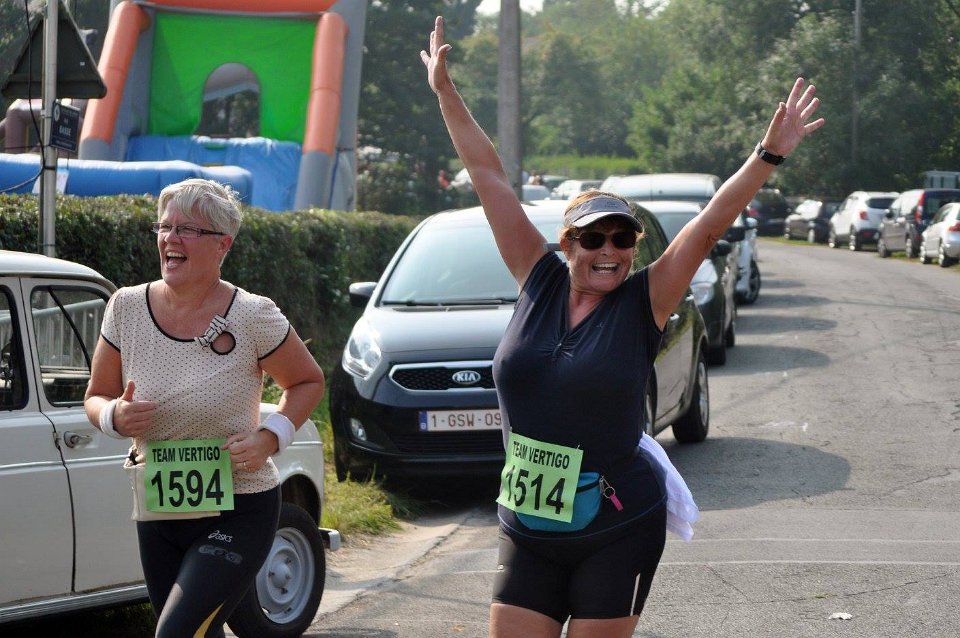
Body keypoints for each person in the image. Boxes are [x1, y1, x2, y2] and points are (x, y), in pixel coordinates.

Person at [421, 15, 824, 638]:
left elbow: (708, 226)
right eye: (593, 238)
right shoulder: (538, 278)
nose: (608, 250)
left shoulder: (644, 302)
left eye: (622, 238)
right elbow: (488, 175)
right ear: (566, 244)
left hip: (616, 522)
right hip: (528, 524)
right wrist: (447, 93)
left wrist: (767, 155)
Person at [83, 178, 325, 638]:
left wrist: (270, 437)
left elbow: (308, 381)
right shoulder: (126, 307)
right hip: (159, 509)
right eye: (164, 226)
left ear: (222, 245)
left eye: (187, 229)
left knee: (175, 633)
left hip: (241, 506)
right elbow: (96, 396)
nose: (170, 238)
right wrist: (115, 416)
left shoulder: (252, 314)